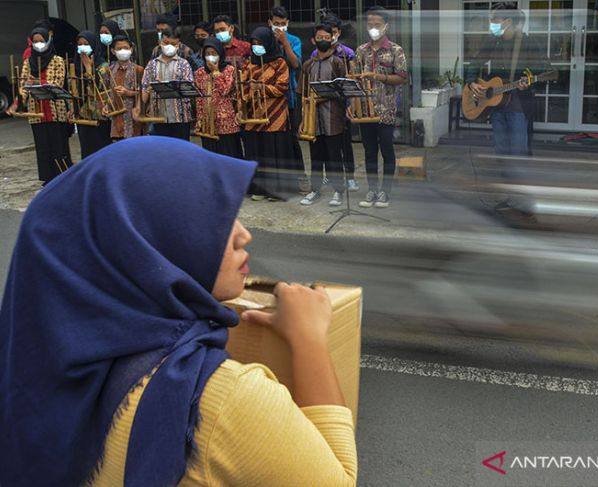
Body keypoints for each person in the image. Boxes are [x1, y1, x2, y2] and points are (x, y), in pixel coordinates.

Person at [0, 137, 358, 487]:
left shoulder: (33, 364)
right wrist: (309, 339)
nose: (243, 235)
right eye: (209, 220)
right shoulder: (218, 399)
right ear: (144, 243)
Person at [464, 2, 545, 221]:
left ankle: (526, 200)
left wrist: (530, 82)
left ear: (508, 22)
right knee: (502, 152)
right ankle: (511, 196)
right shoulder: (493, 41)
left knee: (518, 154)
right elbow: (474, 63)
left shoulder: (528, 44)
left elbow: (545, 72)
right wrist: (473, 82)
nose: (492, 25)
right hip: (497, 107)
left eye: (495, 21)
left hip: (519, 108)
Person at [351, 6, 408, 209]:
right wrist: (352, 105)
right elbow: (354, 81)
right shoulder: (361, 51)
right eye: (370, 24)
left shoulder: (395, 50)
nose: (373, 28)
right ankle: (372, 189)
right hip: (365, 111)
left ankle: (386, 191)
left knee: (386, 149)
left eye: (377, 24)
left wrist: (379, 77)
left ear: (386, 26)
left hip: (386, 110)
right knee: (369, 151)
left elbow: (402, 78)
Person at [6, 26, 72, 185]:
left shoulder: (58, 61)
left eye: (41, 41)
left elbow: (57, 83)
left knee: (59, 145)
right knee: (43, 146)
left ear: (48, 41)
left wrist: (38, 82)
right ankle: (48, 179)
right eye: (35, 42)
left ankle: (63, 176)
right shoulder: (29, 62)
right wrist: (16, 104)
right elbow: (23, 85)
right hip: (37, 112)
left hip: (56, 110)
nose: (38, 44)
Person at [239, 27, 298, 201]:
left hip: (275, 116)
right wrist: (248, 92)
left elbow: (282, 87)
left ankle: (278, 190)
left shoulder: (280, 62)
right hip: (254, 115)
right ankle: (259, 188)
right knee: (257, 152)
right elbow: (243, 87)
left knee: (274, 153)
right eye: (254, 43)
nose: (256, 46)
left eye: (260, 43)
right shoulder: (249, 63)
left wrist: (261, 88)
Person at [298, 24, 347, 207]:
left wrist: (324, 96)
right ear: (313, 40)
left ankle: (338, 191)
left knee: (334, 156)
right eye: (320, 37)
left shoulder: (337, 63)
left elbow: (343, 90)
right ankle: (315, 190)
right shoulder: (308, 65)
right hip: (312, 119)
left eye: (327, 37)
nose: (324, 40)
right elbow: (302, 93)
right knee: (316, 156)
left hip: (332, 118)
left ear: (332, 39)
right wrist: (303, 119)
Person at [315, 12, 359, 192]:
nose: (329, 37)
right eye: (325, 33)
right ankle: (329, 174)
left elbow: (354, 78)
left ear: (338, 33)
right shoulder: (315, 53)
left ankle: (350, 177)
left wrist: (352, 103)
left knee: (345, 143)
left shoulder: (347, 53)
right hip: (323, 105)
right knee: (325, 143)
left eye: (332, 32)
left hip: (344, 104)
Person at [268, 6, 307, 193]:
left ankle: (301, 177)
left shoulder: (294, 40)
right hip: (269, 97)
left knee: (292, 138)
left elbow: (296, 63)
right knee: (275, 139)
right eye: (276, 24)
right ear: (270, 23)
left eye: (283, 24)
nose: (279, 27)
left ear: (288, 24)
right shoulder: (264, 39)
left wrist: (285, 42)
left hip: (288, 95)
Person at [137, 27, 194, 141]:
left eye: (173, 44)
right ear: (160, 42)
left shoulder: (184, 64)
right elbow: (144, 88)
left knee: (181, 151)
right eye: (166, 43)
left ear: (178, 45)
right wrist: (139, 107)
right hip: (158, 117)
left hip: (180, 117)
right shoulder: (151, 65)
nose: (169, 46)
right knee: (162, 151)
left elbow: (188, 88)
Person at [194, 37, 242, 158]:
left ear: (220, 53)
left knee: (228, 154)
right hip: (208, 121)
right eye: (207, 54)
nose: (210, 56)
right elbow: (199, 98)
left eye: (214, 53)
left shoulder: (229, 70)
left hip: (227, 121)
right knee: (210, 155)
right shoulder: (199, 73)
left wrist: (216, 73)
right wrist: (200, 119)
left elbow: (225, 90)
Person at [72, 30, 113, 158]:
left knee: (101, 150)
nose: (83, 47)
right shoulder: (76, 67)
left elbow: (101, 89)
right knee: (87, 151)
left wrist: (90, 70)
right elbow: (74, 90)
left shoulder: (103, 66)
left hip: (100, 115)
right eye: (80, 44)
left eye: (86, 43)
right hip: (83, 114)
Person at [108, 35, 145, 140]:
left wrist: (127, 92)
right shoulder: (109, 70)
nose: (123, 51)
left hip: (134, 121)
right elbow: (106, 92)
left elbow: (144, 93)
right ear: (113, 51)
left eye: (126, 48)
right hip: (116, 121)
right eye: (119, 49)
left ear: (131, 49)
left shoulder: (138, 70)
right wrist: (106, 107)